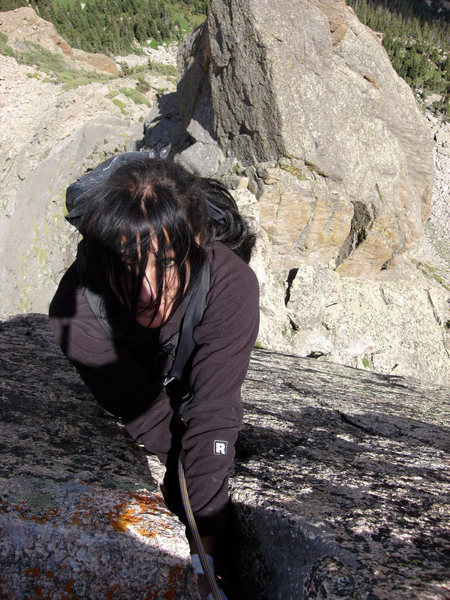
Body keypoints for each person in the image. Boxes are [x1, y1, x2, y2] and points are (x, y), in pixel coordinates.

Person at [49, 154, 260, 599]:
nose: (147, 290)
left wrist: (203, 553)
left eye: (165, 262)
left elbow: (214, 412)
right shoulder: (78, 319)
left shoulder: (229, 284)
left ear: (199, 243)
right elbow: (148, 416)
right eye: (127, 265)